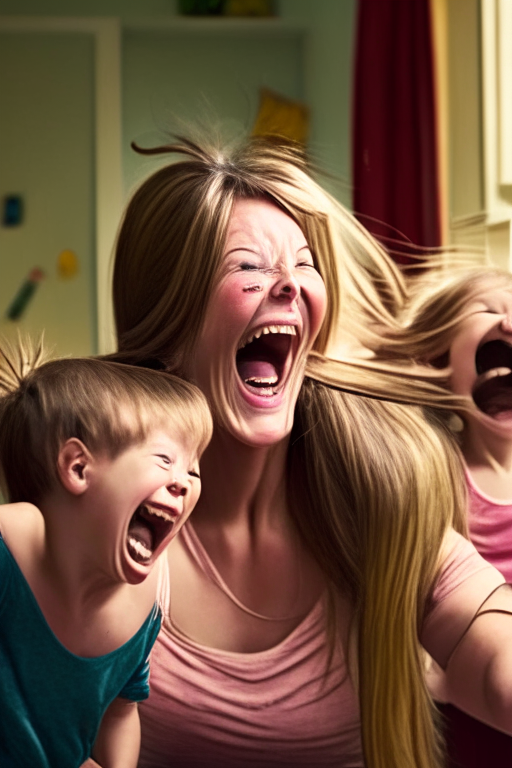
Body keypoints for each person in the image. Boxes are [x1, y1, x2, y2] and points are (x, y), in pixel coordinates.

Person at [111, 134, 512, 768]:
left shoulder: (374, 498)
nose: (289, 286)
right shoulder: (109, 518)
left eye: (305, 264)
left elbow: (496, 665)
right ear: (169, 318)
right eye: (247, 266)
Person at [0, 338, 212, 768]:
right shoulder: (13, 543)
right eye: (165, 459)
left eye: (192, 468)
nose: (184, 482)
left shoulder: (146, 602)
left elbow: (120, 710)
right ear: (79, 468)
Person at [382, 266, 512, 767]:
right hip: (461, 721)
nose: (506, 322)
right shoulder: (435, 473)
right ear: (439, 361)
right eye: (486, 309)